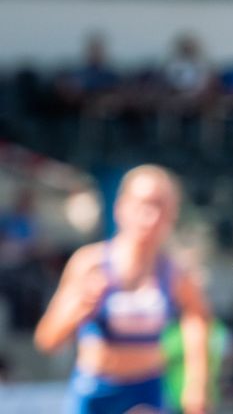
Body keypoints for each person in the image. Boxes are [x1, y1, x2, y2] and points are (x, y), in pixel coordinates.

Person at [34, 165, 212, 414]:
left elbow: (197, 318)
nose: (150, 216)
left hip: (146, 392)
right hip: (95, 390)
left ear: (173, 214)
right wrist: (79, 306)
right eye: (142, 204)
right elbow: (47, 340)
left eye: (161, 206)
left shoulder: (174, 272)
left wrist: (197, 383)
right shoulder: (91, 263)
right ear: (121, 207)